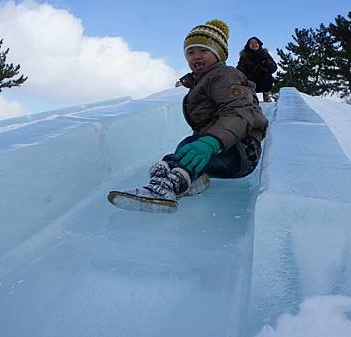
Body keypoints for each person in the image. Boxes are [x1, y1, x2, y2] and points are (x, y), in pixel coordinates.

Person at [108, 19, 268, 213]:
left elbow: (240, 111)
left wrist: (212, 141)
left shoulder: (225, 75)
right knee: (187, 147)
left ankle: (165, 188)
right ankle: (184, 181)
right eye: (191, 52)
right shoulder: (201, 82)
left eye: (204, 50)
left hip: (241, 151)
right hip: (223, 152)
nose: (196, 56)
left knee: (187, 148)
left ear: (219, 54)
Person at [236, 37, 278, 102]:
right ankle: (249, 98)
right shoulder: (244, 56)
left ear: (259, 44)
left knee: (267, 76)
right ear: (248, 45)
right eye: (251, 43)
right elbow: (239, 69)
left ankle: (266, 95)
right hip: (250, 81)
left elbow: (274, 68)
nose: (254, 44)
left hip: (263, 80)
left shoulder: (265, 54)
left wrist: (265, 62)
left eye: (256, 42)